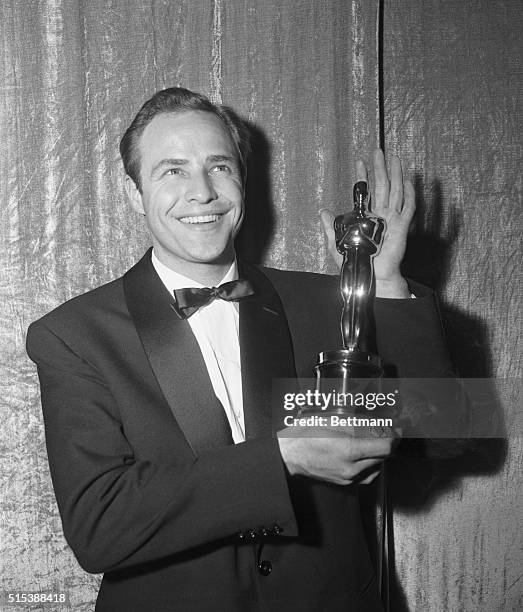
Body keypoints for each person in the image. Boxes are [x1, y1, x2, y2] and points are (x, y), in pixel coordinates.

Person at [26, 87, 453, 611]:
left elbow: (438, 434)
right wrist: (282, 458)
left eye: (219, 167)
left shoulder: (329, 298)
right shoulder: (74, 334)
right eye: (172, 171)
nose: (202, 192)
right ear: (134, 194)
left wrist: (384, 284)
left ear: (242, 182)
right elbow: (99, 524)